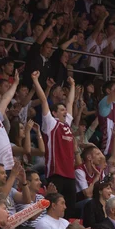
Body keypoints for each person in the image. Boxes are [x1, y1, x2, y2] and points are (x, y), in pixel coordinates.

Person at [32, 71, 77, 218]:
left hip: (70, 173)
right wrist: (36, 80)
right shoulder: (51, 123)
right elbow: (44, 100)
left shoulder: (67, 124)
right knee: (53, 208)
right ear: (54, 113)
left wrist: (73, 85)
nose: (65, 111)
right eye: (62, 110)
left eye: (65, 110)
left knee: (69, 209)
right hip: (56, 172)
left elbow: (70, 102)